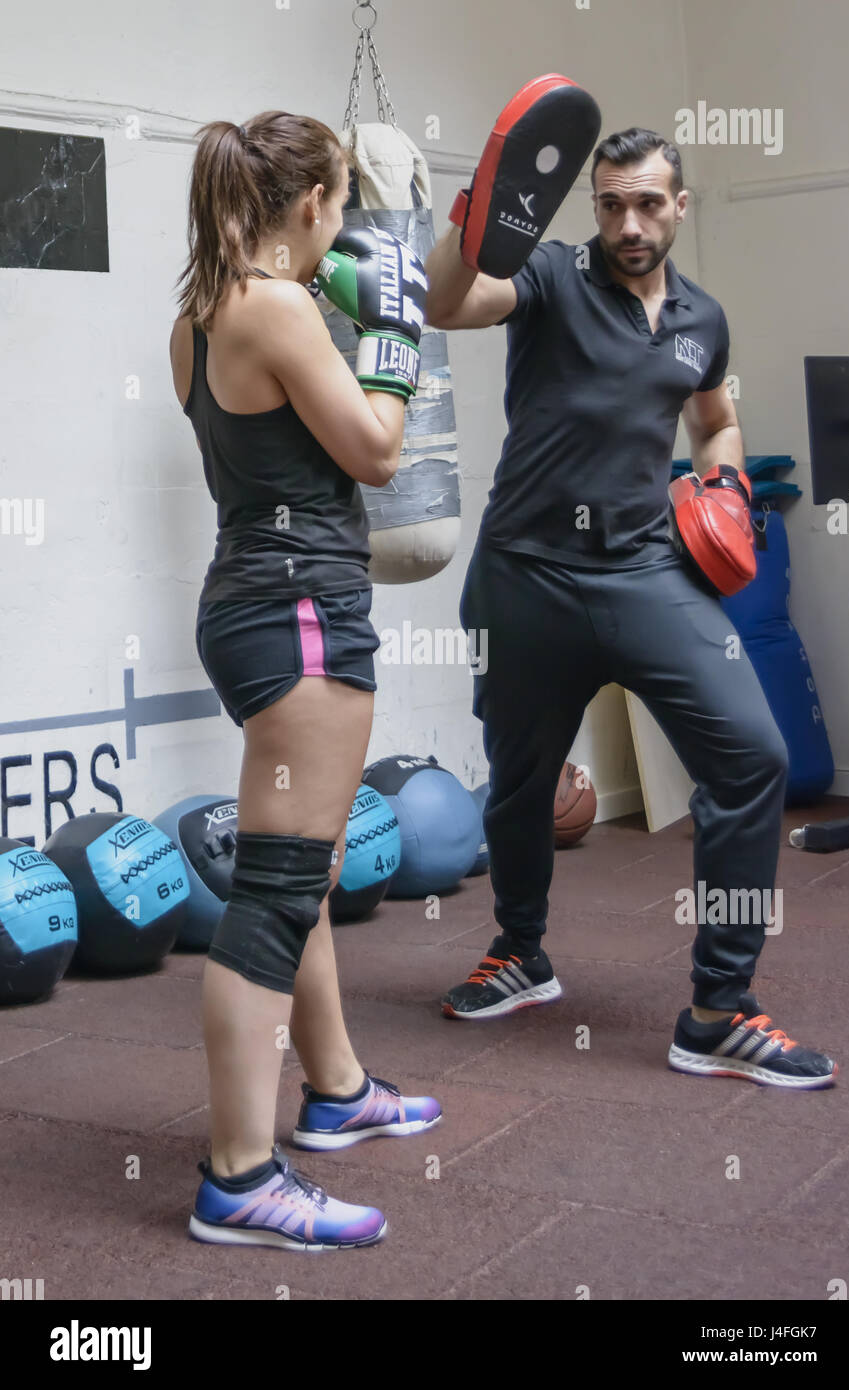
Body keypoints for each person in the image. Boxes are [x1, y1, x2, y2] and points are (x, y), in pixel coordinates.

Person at [425, 127, 836, 1090]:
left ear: (680, 205)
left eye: (648, 202)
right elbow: (448, 300)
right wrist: (473, 214)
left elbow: (714, 416)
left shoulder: (702, 317)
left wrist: (724, 484)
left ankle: (717, 1010)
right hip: (524, 577)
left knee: (752, 759)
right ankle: (520, 951)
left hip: (647, 573)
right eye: (610, 203)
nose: (628, 222)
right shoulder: (551, 277)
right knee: (519, 785)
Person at [169, 110, 441, 1251]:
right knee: (278, 893)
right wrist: (394, 327)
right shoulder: (277, 308)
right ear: (317, 206)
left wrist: (340, 276)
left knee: (304, 866)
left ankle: (334, 1088)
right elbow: (376, 452)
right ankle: (238, 1175)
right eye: (337, 204)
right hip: (300, 619)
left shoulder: (198, 315)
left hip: (250, 602)